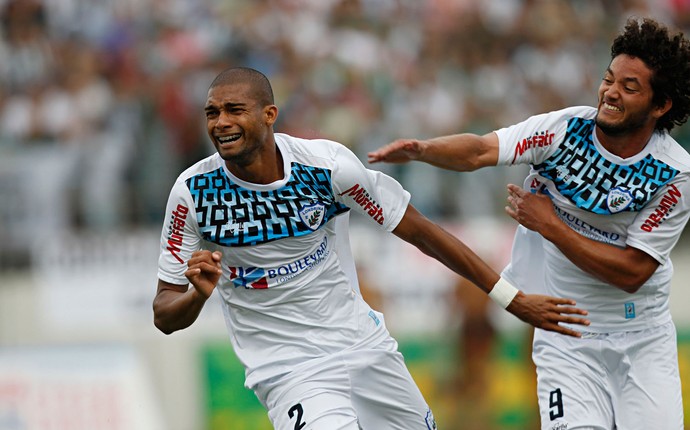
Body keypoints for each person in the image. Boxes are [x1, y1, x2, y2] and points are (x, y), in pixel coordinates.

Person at [152, 66, 590, 430]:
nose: (220, 122)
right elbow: (164, 312)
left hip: (364, 348)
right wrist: (197, 296)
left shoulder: (326, 168)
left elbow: (422, 233)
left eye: (234, 110)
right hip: (291, 371)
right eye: (212, 113)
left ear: (270, 114)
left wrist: (510, 299)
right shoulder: (194, 193)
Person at [368, 17, 690, 430]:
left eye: (629, 88)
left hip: (643, 338)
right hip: (567, 334)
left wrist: (551, 224)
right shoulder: (563, 131)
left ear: (660, 106)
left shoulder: (674, 173)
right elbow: (482, 149)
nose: (610, 93)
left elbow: (632, 272)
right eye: (609, 79)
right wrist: (424, 150)